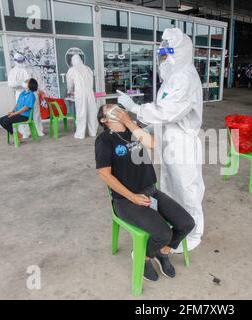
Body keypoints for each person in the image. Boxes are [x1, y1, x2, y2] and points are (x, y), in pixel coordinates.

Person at [118, 28, 204, 253]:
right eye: (162, 55)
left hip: (183, 142)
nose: (164, 60)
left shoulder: (185, 77)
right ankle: (174, 228)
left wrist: (135, 108)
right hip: (169, 140)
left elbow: (168, 112)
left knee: (187, 189)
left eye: (168, 55)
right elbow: (162, 114)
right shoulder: (173, 78)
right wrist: (139, 126)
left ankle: (191, 234)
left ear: (181, 53)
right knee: (170, 188)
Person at [95, 104, 195, 281]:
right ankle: (143, 256)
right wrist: (132, 197)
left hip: (151, 192)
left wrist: (129, 122)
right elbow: (104, 174)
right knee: (163, 233)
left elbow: (152, 143)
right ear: (104, 120)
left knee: (187, 223)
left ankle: (162, 252)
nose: (116, 108)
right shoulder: (104, 140)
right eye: (110, 109)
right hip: (126, 201)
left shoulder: (133, 130)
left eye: (117, 106)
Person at [7, 53, 44, 138]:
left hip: (33, 92)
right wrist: (21, 84)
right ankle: (24, 132)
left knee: (36, 112)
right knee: (22, 113)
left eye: (22, 60)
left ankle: (38, 130)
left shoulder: (30, 69)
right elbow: (11, 84)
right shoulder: (13, 71)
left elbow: (38, 80)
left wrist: (39, 90)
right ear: (15, 61)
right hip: (21, 93)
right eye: (19, 60)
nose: (21, 62)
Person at [66, 54, 98, 139]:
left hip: (80, 92)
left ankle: (80, 134)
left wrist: (70, 90)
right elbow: (92, 81)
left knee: (81, 112)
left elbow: (70, 83)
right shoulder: (88, 68)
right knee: (92, 111)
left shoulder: (72, 69)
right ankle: (93, 132)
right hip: (90, 92)